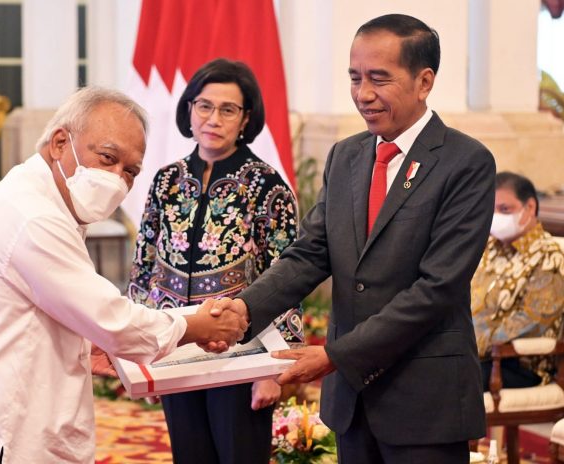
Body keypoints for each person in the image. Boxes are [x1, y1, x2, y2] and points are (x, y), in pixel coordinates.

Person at [0, 86, 247, 464]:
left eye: (129, 171)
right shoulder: (32, 213)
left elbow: (51, 308)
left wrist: (85, 341)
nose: (116, 178)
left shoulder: (45, 200)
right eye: (107, 158)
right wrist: (197, 325)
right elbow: (113, 320)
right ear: (61, 142)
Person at [211, 14, 496, 463]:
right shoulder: (347, 156)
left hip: (425, 402)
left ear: (424, 82)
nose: (363, 94)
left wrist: (334, 356)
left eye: (379, 79)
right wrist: (242, 311)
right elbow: (310, 253)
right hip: (352, 405)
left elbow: (437, 289)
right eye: (355, 77)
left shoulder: (466, 163)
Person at [127, 58, 303, 464]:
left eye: (228, 109)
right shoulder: (166, 180)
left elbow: (287, 278)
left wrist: (270, 369)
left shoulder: (266, 185)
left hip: (241, 354)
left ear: (246, 118)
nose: (213, 118)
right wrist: (141, 353)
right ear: (189, 109)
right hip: (177, 346)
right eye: (204, 105)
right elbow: (144, 267)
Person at [472, 171, 564, 391]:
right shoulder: (489, 249)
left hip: (518, 363)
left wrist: (469, 344)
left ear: (529, 208)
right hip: (476, 355)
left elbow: (532, 323)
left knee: (440, 380)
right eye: (491, 210)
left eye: (504, 210)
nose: (496, 217)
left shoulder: (549, 256)